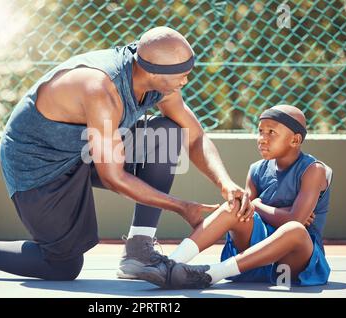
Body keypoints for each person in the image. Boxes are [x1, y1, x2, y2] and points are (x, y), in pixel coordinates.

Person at [0, 27, 252, 281]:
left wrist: (225, 183)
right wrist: (185, 208)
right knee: (63, 264)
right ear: (151, 70)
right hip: (38, 161)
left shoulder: (159, 84)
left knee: (165, 133)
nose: (187, 76)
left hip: (84, 146)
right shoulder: (103, 90)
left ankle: (139, 249)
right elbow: (114, 176)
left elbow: (195, 136)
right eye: (181, 70)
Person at [138, 105, 333, 289]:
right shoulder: (257, 169)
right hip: (253, 259)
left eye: (271, 132)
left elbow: (294, 220)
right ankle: (169, 264)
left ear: (295, 140)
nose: (262, 138)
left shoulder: (313, 170)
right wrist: (263, 208)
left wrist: (257, 204)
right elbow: (245, 211)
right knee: (235, 206)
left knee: (295, 229)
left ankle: (211, 274)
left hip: (292, 262)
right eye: (260, 131)